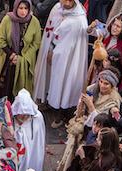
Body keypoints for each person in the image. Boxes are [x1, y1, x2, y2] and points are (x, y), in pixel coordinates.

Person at [33, 0, 88, 128]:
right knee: (51, 80)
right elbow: (51, 30)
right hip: (53, 51)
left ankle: (61, 113)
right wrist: (50, 49)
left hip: (68, 59)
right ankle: (47, 100)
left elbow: (78, 39)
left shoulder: (79, 18)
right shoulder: (57, 8)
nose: (65, 2)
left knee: (63, 83)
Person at [0, 0, 41, 99]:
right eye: (21, 8)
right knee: (7, 87)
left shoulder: (34, 22)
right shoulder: (8, 19)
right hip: (9, 59)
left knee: (22, 90)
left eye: (26, 8)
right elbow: (0, 39)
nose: (23, 11)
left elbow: (36, 43)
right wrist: (11, 55)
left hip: (25, 60)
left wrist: (22, 58)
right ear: (16, 8)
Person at [12, 88, 46, 171]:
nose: (25, 116)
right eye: (22, 113)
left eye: (28, 113)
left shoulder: (37, 118)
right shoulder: (10, 119)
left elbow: (39, 141)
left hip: (30, 152)